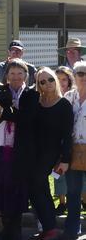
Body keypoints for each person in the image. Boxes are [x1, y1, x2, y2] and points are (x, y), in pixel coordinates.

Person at [0, 59, 38, 240]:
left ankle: (15, 230)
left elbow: (26, 120)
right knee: (0, 186)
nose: (16, 77)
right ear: (6, 76)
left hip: (20, 148)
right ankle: (3, 228)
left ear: (26, 75)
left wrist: (2, 112)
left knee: (17, 188)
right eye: (12, 74)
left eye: (20, 74)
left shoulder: (32, 94)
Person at [28, 67, 73, 240]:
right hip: (34, 151)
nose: (48, 84)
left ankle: (50, 227)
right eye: (42, 82)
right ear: (38, 85)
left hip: (51, 153)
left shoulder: (64, 105)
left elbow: (67, 135)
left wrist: (65, 159)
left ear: (56, 80)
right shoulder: (36, 103)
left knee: (37, 184)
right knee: (36, 188)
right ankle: (48, 227)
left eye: (51, 79)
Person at [62, 61, 86, 239]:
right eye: (80, 73)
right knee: (73, 192)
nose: (83, 77)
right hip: (71, 151)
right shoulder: (68, 97)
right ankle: (73, 227)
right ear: (74, 76)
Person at [53, 66, 77, 214]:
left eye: (64, 79)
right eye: (58, 79)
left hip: (72, 140)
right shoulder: (50, 95)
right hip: (55, 141)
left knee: (75, 172)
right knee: (58, 172)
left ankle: (79, 200)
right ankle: (62, 202)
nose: (61, 82)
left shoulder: (74, 96)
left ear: (69, 81)